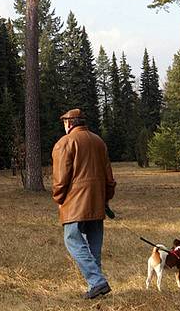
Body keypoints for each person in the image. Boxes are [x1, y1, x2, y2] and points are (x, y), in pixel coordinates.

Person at [52, 108, 116, 300]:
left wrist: (58, 197)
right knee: (93, 246)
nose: (64, 126)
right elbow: (109, 177)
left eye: (65, 123)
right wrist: (106, 199)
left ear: (70, 123)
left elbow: (60, 179)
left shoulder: (65, 143)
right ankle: (95, 287)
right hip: (97, 202)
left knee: (72, 240)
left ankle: (97, 282)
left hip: (74, 203)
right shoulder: (99, 141)